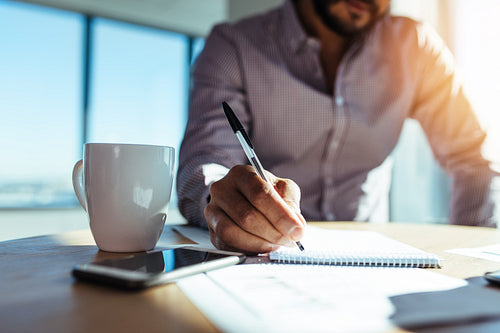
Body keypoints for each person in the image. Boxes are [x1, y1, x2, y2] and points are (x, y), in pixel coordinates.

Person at [177, 0, 498, 254]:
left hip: (372, 266)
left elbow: (472, 157)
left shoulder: (416, 48)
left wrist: (471, 257)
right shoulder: (233, 47)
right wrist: (224, 202)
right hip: (261, 258)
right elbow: (206, 165)